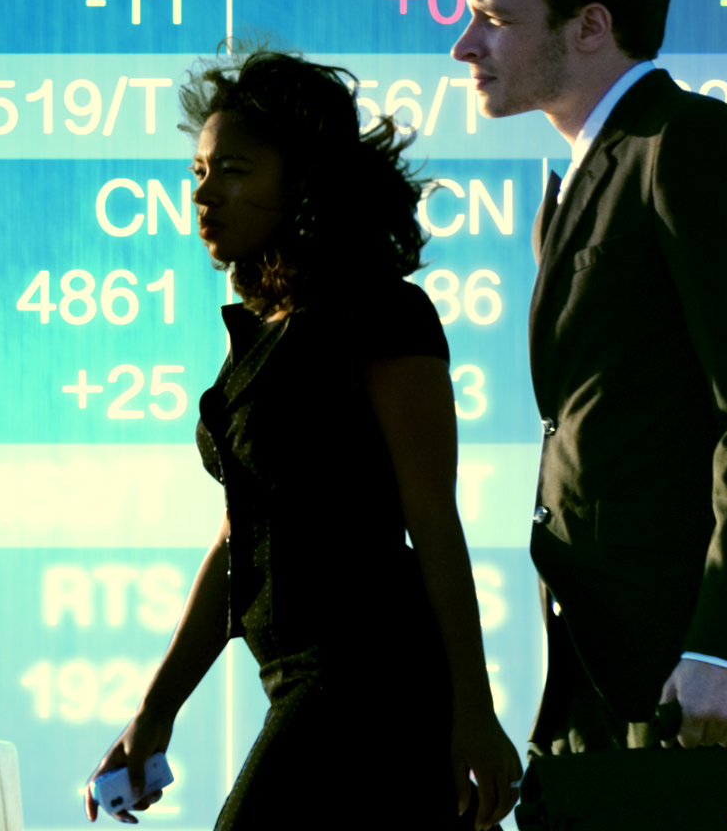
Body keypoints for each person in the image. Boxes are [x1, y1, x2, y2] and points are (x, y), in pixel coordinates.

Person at [87, 47, 518, 828]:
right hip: (296, 684)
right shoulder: (260, 339)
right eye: (198, 173)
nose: (204, 195)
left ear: (302, 183)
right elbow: (238, 543)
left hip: (372, 680)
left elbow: (434, 521)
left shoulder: (382, 315)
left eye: (235, 171)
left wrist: (475, 715)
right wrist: (156, 710)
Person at [448, 0, 727, 754]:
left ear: (589, 26)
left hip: (695, 685)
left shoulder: (688, 144)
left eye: (496, 19)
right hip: (607, 673)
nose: (466, 44)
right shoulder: (580, 187)